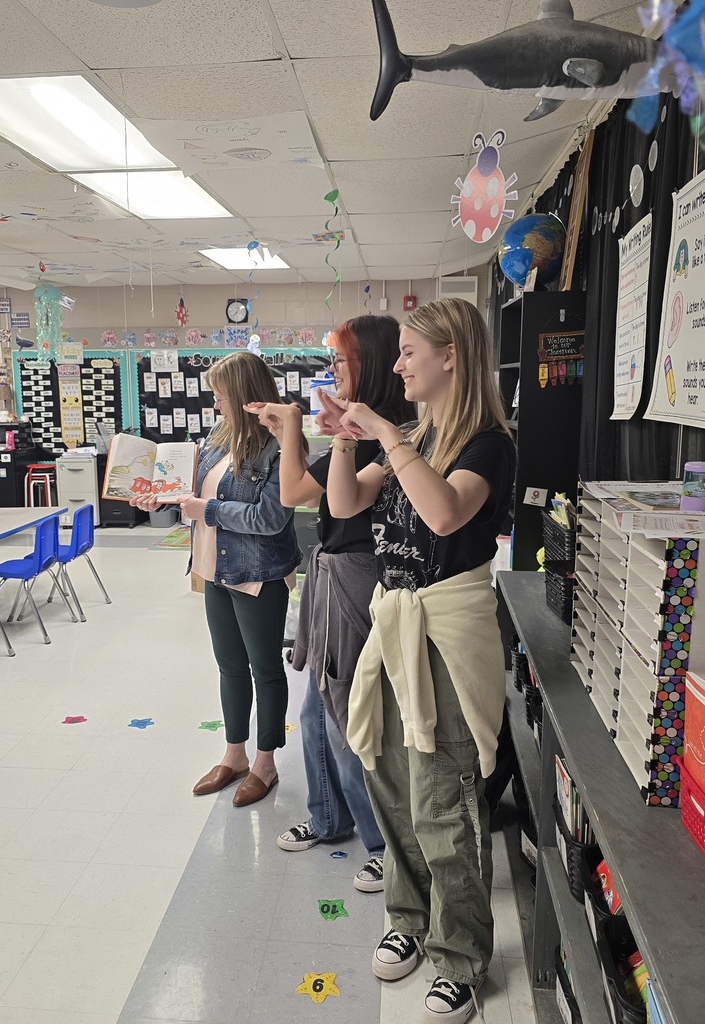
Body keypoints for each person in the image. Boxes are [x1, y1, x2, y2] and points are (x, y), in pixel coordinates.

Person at [319, 298, 515, 1023]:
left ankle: (459, 956)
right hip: (395, 625)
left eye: (408, 351)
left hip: (448, 637)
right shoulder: (412, 436)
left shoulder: (488, 444)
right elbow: (343, 505)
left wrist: (383, 435)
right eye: (397, 352)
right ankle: (408, 918)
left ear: (451, 357)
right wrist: (346, 438)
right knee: (393, 786)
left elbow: (442, 515)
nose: (396, 365)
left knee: (446, 803)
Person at [246, 315, 414, 893]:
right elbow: (305, 492)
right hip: (334, 572)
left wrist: (294, 428)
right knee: (319, 703)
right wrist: (294, 428)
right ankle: (329, 818)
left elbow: (301, 496)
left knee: (350, 713)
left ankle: (383, 845)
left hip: (360, 578)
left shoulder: (391, 433)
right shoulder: (363, 431)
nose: (334, 373)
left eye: (342, 362)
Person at [132, 351, 301, 807]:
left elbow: (269, 517)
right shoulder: (218, 436)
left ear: (245, 395)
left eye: (220, 394)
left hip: (258, 572)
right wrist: (164, 499)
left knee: (265, 669)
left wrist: (205, 510)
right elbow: (198, 494)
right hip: (213, 568)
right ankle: (235, 754)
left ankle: (265, 763)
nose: (214, 403)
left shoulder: (279, 444)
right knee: (229, 665)